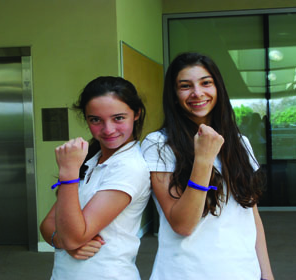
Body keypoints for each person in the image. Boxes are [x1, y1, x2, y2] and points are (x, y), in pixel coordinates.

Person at [141, 52, 274, 280]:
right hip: (186, 273)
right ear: (174, 95)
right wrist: (203, 159)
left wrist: (267, 274)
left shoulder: (240, 143)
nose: (197, 93)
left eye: (206, 83)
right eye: (185, 86)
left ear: (218, 89)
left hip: (243, 271)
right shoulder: (158, 144)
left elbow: (251, 214)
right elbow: (183, 225)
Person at [40, 76, 151, 280]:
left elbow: (73, 236)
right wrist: (62, 241)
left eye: (118, 118)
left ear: (136, 114)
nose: (108, 130)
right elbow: (47, 225)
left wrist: (68, 172)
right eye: (96, 120)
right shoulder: (90, 160)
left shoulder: (129, 167)